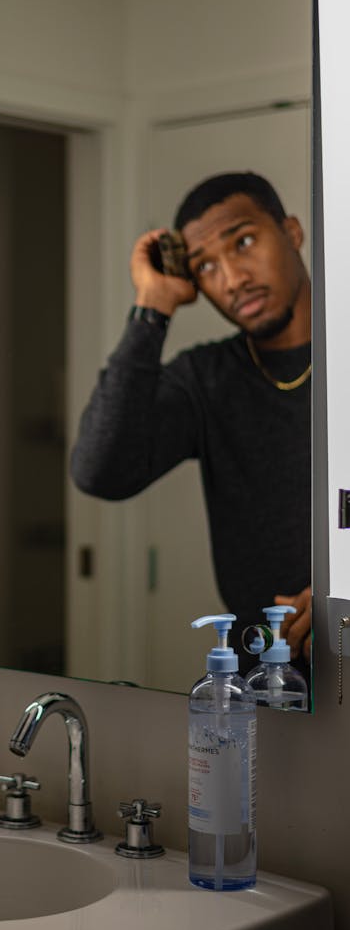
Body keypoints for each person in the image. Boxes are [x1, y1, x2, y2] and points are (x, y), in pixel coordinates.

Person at [71, 172, 311, 673]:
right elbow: (100, 470)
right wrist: (153, 303)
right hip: (264, 686)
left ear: (291, 232)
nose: (232, 278)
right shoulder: (206, 380)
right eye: (206, 266)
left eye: (243, 242)